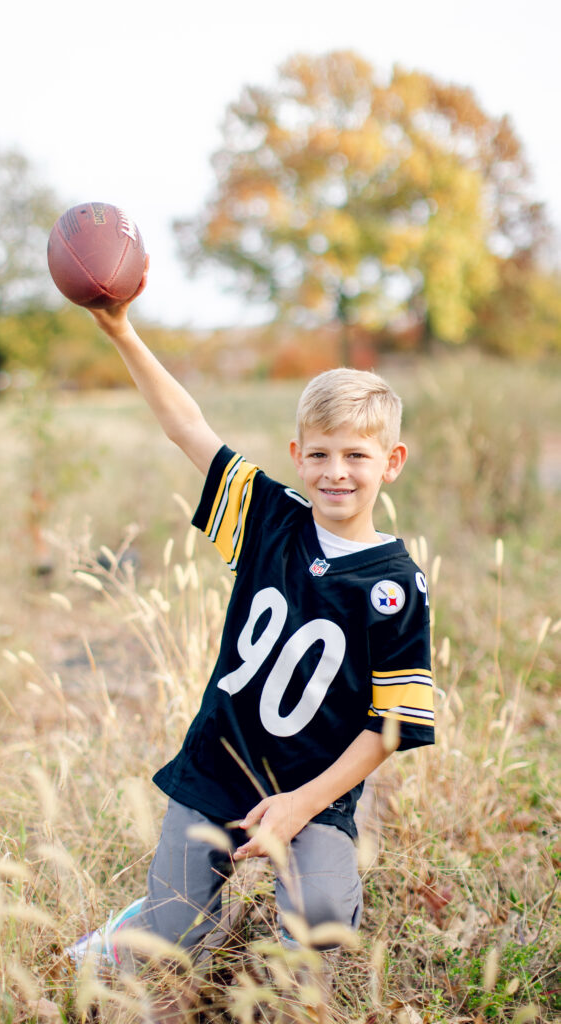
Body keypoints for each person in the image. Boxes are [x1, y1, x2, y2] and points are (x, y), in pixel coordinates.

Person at [67, 263, 434, 972]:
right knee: (167, 940)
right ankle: (133, 927)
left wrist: (300, 805)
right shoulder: (270, 520)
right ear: (297, 456)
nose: (336, 472)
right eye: (320, 454)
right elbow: (186, 426)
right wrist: (120, 331)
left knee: (320, 935)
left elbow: (390, 724)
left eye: (356, 455)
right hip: (218, 767)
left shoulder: (395, 585)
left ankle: (316, 899)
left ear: (390, 462)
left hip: (313, 788)